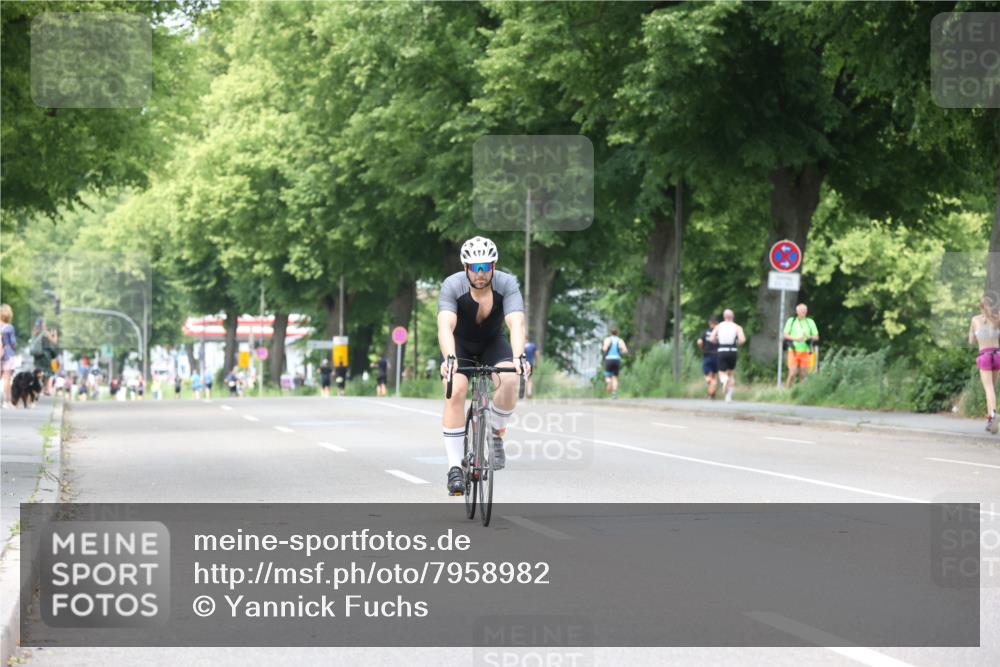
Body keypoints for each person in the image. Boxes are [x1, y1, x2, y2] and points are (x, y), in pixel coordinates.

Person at [438, 236, 529, 496]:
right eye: (475, 267)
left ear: (494, 265)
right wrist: (450, 359)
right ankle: (455, 467)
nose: (480, 273)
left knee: (510, 379)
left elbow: (516, 322)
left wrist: (519, 356)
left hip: (492, 343)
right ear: (465, 266)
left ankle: (495, 433)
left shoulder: (507, 283)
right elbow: (445, 325)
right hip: (461, 345)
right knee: (455, 389)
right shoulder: (452, 285)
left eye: (486, 266)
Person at [970, 294, 1000, 433]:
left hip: (985, 356)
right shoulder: (997, 319)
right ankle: (991, 420)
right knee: (992, 389)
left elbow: (971, 341)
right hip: (997, 354)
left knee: (988, 389)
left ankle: (993, 415)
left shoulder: (975, 320)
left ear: (980, 306)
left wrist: (977, 336)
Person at [708, 309, 746, 402]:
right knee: (731, 373)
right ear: (732, 317)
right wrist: (736, 343)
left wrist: (717, 341)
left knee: (722, 372)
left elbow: (711, 338)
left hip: (722, 350)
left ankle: (724, 380)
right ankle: (728, 397)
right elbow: (742, 339)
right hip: (733, 350)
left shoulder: (718, 326)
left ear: (724, 317)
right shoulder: (737, 327)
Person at [784, 303, 820, 387]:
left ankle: (800, 392)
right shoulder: (791, 321)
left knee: (803, 374)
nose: (803, 312)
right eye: (801, 310)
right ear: (797, 311)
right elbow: (785, 335)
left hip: (806, 351)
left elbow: (816, 337)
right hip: (793, 351)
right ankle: (787, 390)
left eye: (805, 310)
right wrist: (796, 339)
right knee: (792, 372)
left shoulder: (810, 322)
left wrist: (809, 337)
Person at [697, 315, 720, 399]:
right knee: (714, 375)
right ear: (717, 324)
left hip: (707, 355)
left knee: (707, 375)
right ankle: (712, 394)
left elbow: (699, 342)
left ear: (709, 323)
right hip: (717, 356)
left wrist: (702, 348)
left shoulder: (705, 332)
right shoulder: (719, 333)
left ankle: (711, 384)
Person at [601, 328, 628, 398]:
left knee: (607, 376)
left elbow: (604, 349)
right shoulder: (620, 340)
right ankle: (614, 393)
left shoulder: (608, 339)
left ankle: (609, 382)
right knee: (615, 377)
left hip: (609, 359)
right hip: (617, 359)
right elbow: (625, 350)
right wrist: (620, 352)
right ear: (617, 333)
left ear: (610, 333)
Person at [1, 304, 17, 409]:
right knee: (7, 379)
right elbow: (13, 343)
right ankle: (6, 402)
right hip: (8, 353)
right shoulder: (9, 327)